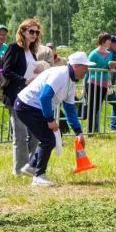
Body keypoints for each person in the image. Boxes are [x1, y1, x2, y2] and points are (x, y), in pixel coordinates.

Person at [14, 51, 91, 187]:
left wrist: (79, 132)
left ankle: (32, 167)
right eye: (85, 67)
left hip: (33, 107)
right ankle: (38, 176)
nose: (87, 70)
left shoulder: (71, 83)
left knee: (50, 138)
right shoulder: (60, 74)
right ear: (75, 66)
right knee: (48, 139)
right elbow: (45, 97)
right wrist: (50, 120)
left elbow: (70, 110)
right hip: (26, 105)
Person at [0, 19, 45, 176]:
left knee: (35, 135)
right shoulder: (14, 48)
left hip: (30, 97)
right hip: (15, 96)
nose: (34, 34)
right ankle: (19, 170)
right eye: (31, 31)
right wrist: (24, 80)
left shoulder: (32, 52)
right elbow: (7, 70)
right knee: (20, 134)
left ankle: (30, 167)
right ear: (22, 31)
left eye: (36, 32)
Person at [86, 33, 116, 133]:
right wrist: (84, 85)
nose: (110, 42)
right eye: (108, 40)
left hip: (104, 83)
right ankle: (91, 130)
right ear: (103, 40)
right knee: (92, 107)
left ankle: (96, 129)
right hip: (93, 83)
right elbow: (88, 69)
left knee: (98, 107)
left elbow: (106, 67)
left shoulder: (109, 54)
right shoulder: (93, 54)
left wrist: (111, 67)